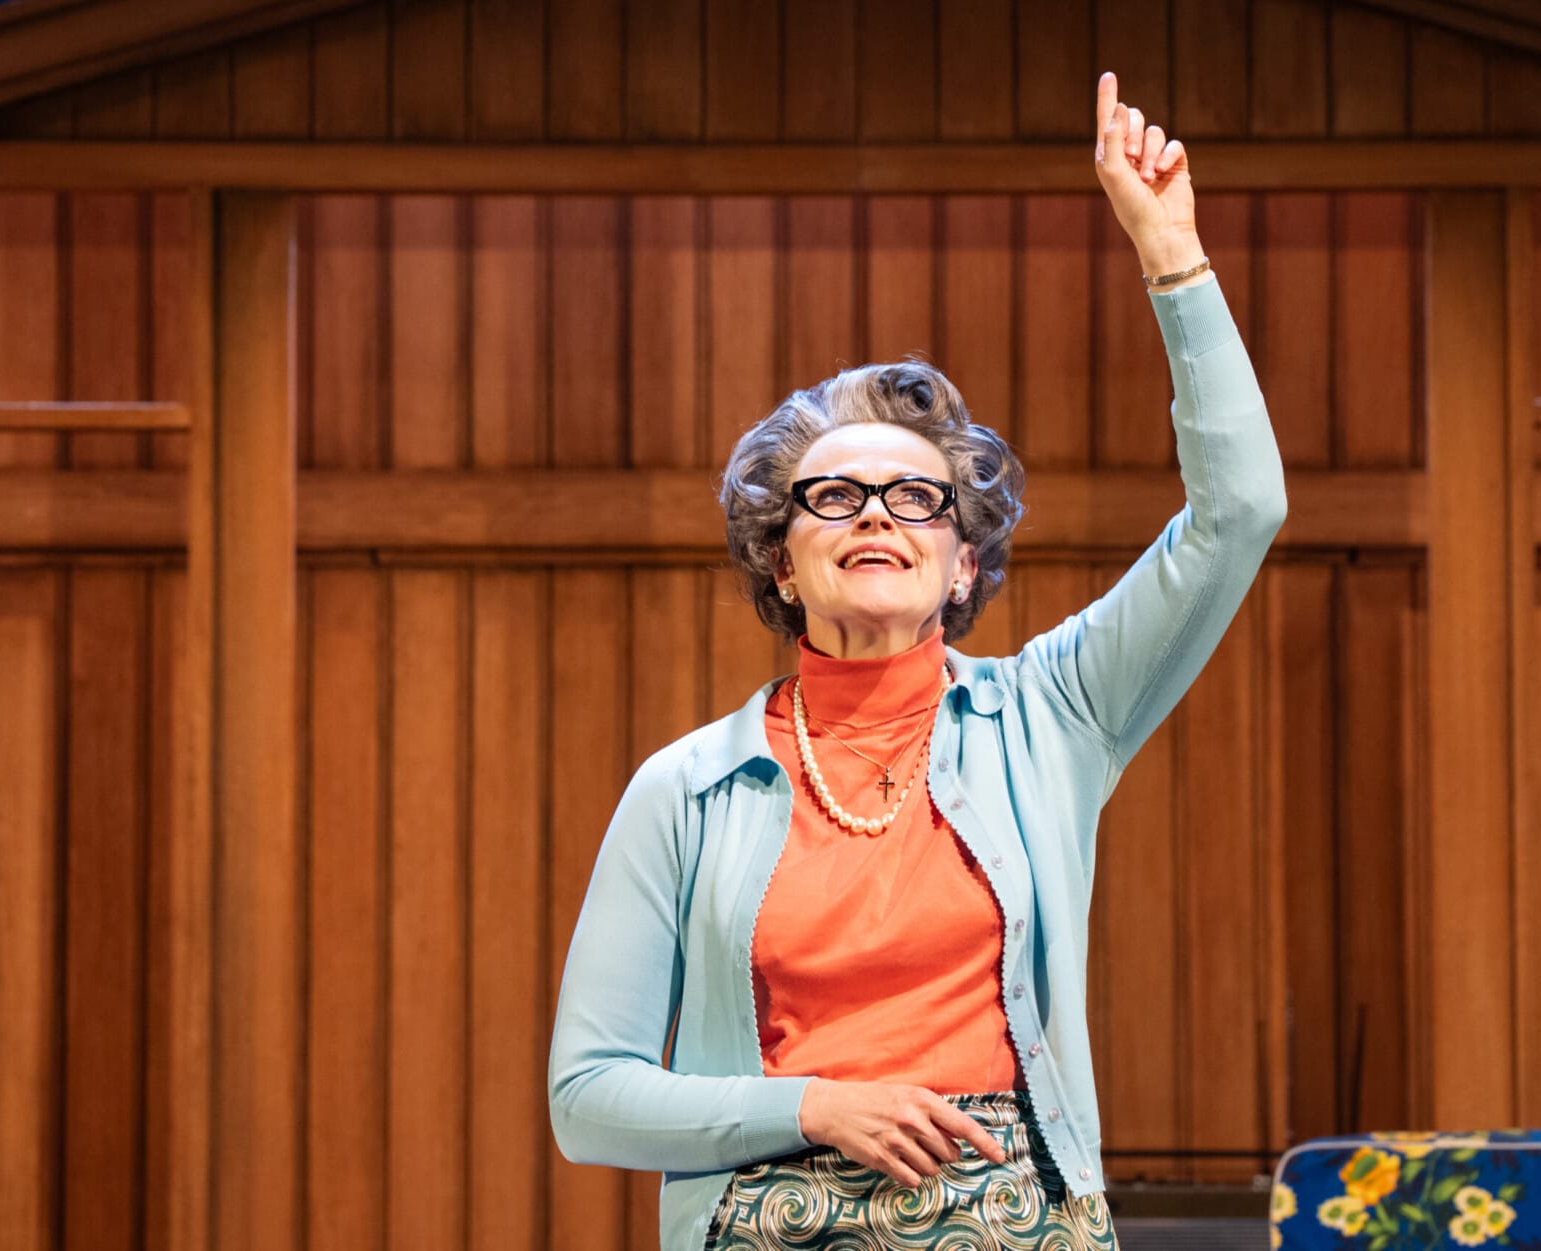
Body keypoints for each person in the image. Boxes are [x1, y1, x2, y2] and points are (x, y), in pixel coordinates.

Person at [548, 71, 1286, 1251]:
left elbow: (1240, 508)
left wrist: (1173, 257)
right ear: (781, 565)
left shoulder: (1056, 714)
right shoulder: (683, 790)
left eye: (916, 497)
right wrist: (814, 1105)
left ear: (961, 561)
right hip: (766, 1218)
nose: (875, 514)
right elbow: (587, 1098)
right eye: (832, 496)